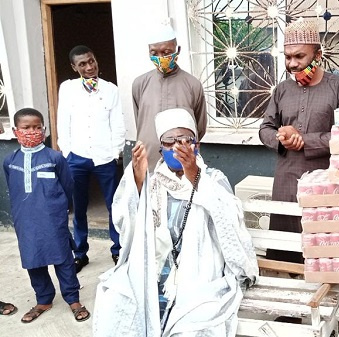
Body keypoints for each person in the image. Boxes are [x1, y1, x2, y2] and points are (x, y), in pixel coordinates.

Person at [93, 108, 258, 336]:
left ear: (197, 145)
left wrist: (195, 177)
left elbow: (229, 218)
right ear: (161, 149)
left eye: (185, 140)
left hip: (199, 267)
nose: (177, 147)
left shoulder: (213, 178)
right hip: (157, 263)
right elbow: (124, 220)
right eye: (169, 142)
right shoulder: (154, 181)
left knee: (191, 323)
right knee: (115, 300)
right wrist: (137, 182)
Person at [259, 19, 339, 263]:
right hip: (287, 178)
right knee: (285, 248)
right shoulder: (281, 90)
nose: (292, 64)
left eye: (299, 56)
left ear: (318, 54)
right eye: (288, 57)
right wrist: (281, 138)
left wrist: (306, 140)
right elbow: (265, 128)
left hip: (325, 179)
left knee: (323, 247)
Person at [4, 108, 89, 323]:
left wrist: (58, 208)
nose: (32, 131)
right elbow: (14, 188)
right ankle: (43, 299)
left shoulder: (55, 158)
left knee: (63, 259)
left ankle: (73, 299)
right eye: (26, 128)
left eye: (36, 127)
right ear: (16, 131)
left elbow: (68, 185)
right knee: (33, 259)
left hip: (52, 218)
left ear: (44, 129)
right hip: (25, 220)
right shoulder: (9, 161)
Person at [57, 45, 126, 272]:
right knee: (79, 207)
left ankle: (118, 249)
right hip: (76, 157)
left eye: (91, 61)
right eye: (83, 64)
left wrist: (115, 152)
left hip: (105, 157)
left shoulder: (110, 90)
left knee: (113, 206)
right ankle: (80, 253)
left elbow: (117, 123)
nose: (89, 67)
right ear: (74, 67)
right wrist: (67, 152)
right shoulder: (67, 89)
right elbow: (62, 122)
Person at [132, 21, 208, 171]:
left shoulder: (193, 84)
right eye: (154, 53)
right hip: (148, 163)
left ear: (177, 50)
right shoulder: (139, 84)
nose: (160, 58)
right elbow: (140, 123)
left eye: (166, 52)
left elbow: (199, 128)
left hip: (183, 164)